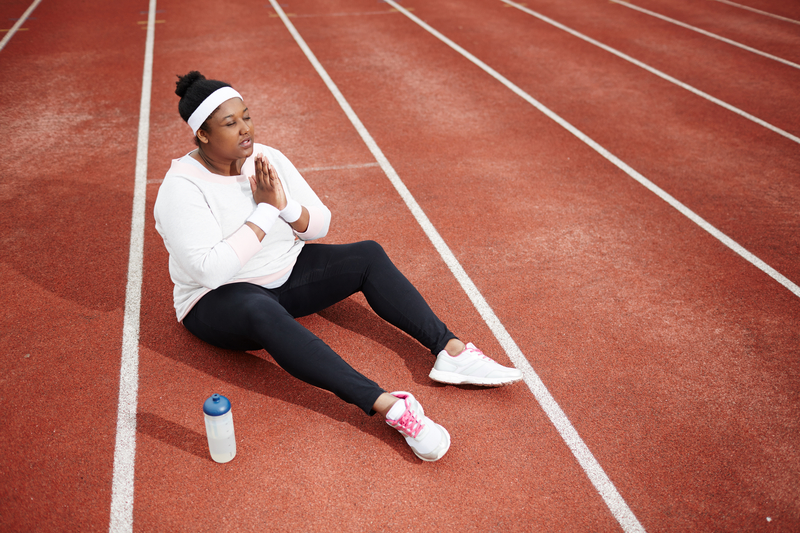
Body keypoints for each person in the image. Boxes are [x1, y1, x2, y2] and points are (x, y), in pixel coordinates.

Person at [153, 71, 522, 462]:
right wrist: (265, 210)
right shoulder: (181, 189)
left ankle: (450, 350)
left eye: (246, 116)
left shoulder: (266, 158)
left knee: (367, 254)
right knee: (257, 307)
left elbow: (321, 224)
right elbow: (211, 271)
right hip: (219, 299)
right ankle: (390, 407)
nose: (245, 128)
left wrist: (286, 207)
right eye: (230, 123)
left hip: (285, 272)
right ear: (203, 135)